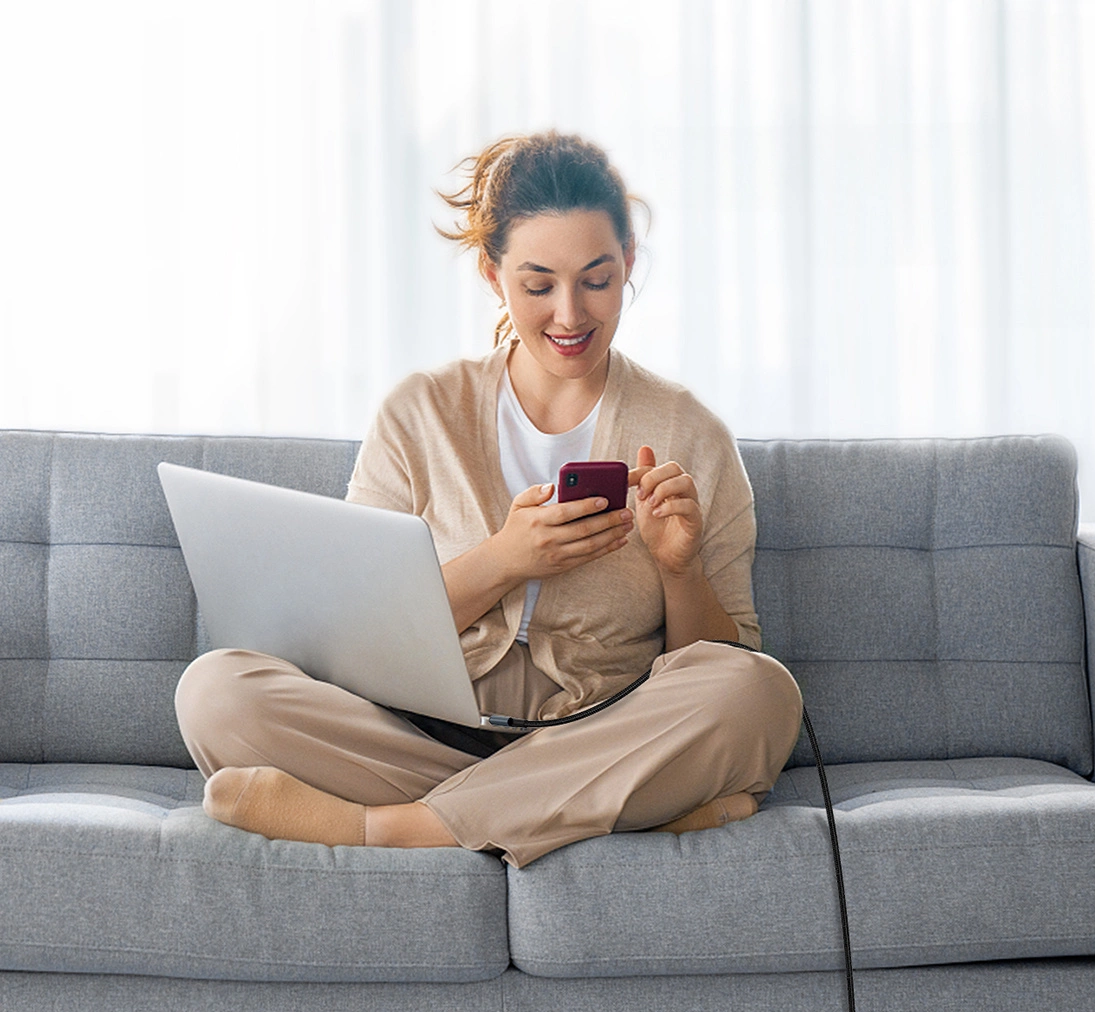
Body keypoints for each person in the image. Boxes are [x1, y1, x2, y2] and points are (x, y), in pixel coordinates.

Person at [175, 131, 803, 869]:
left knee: (759, 693)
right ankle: (618, 810)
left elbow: (724, 661)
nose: (569, 314)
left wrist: (678, 569)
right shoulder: (419, 413)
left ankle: (388, 828)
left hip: (606, 727)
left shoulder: (690, 433)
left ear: (629, 261)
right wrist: (503, 561)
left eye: (596, 280)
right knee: (216, 691)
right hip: (424, 731)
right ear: (493, 274)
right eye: (539, 285)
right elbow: (352, 644)